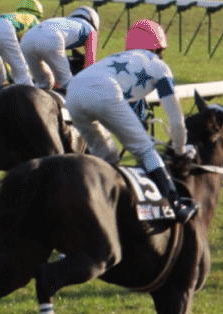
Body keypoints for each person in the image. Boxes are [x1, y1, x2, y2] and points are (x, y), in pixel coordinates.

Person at [63, 19, 197, 223]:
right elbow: (176, 121)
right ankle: (175, 202)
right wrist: (179, 150)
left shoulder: (115, 58)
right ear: (159, 47)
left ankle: (98, 208)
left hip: (72, 93)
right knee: (145, 150)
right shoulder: (160, 67)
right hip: (104, 91)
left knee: (106, 156)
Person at [20, 5, 99, 90]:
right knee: (67, 83)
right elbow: (90, 65)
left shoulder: (65, 22)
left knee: (44, 83)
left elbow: (52, 60)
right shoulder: (90, 30)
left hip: (27, 39)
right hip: (50, 38)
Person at [0, 0, 43, 88]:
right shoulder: (33, 19)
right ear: (38, 14)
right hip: (4, 28)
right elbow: (36, 50)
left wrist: (9, 77)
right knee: (22, 76)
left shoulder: (14, 16)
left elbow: (6, 57)